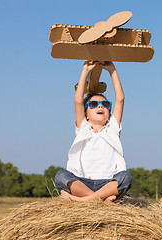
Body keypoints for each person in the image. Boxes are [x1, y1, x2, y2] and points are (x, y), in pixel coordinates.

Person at [55, 60, 132, 202]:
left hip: (107, 183)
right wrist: (85, 71)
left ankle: (84, 200)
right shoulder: (83, 129)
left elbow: (120, 99)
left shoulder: (112, 130)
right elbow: (78, 100)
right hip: (83, 182)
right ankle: (100, 199)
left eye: (105, 104)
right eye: (93, 104)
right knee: (61, 176)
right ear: (86, 114)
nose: (100, 107)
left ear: (109, 112)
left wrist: (112, 71)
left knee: (125, 177)